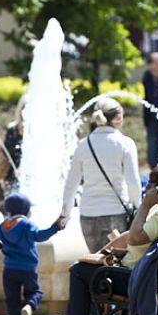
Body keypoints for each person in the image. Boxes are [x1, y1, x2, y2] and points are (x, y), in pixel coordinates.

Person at [50, 164, 158, 315]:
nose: (147, 188)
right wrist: (106, 252)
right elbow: (134, 237)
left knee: (80, 272)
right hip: (155, 276)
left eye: (152, 184)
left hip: (141, 279)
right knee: (92, 271)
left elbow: (135, 238)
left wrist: (145, 205)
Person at [60, 98, 141, 252]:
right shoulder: (125, 143)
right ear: (117, 119)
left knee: (96, 264)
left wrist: (65, 215)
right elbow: (133, 182)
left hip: (88, 214)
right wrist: (139, 209)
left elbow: (71, 184)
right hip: (116, 213)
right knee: (117, 264)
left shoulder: (83, 145)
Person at [0, 192, 62, 315]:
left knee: (11, 298)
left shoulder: (4, 226)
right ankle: (28, 307)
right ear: (26, 210)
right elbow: (40, 236)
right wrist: (55, 228)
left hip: (9, 269)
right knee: (35, 292)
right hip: (28, 269)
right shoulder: (26, 224)